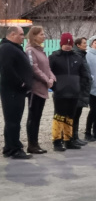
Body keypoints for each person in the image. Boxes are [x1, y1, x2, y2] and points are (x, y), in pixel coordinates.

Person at [49, 33, 89, 151]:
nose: (67, 46)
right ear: (61, 44)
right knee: (59, 117)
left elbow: (84, 74)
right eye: (65, 44)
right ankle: (57, 141)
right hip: (60, 93)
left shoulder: (77, 58)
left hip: (74, 93)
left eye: (69, 44)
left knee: (70, 117)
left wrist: (79, 87)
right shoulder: (54, 57)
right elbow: (49, 73)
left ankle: (68, 140)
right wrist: (55, 87)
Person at [0, 26, 33, 159]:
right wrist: (20, 83)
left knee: (12, 120)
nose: (23, 37)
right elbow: (7, 69)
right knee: (13, 120)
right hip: (12, 90)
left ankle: (9, 147)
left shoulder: (12, 47)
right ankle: (15, 149)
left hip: (15, 90)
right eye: (20, 34)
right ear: (12, 34)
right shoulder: (7, 48)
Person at [25, 26, 56, 154]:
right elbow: (34, 68)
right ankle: (32, 144)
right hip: (35, 89)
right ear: (34, 36)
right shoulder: (30, 51)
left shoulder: (41, 51)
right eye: (41, 34)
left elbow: (47, 68)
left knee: (38, 116)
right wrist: (46, 79)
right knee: (33, 117)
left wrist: (52, 78)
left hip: (43, 88)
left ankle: (36, 143)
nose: (44, 36)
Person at [72, 37, 91, 146]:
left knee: (78, 113)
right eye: (84, 43)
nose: (86, 45)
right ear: (78, 45)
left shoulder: (82, 55)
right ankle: (72, 136)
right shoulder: (77, 56)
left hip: (82, 88)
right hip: (78, 88)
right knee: (75, 114)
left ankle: (75, 136)